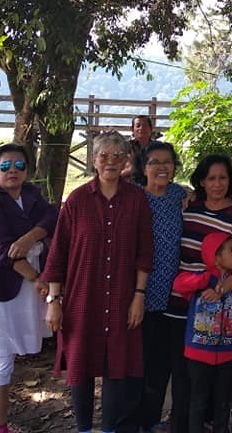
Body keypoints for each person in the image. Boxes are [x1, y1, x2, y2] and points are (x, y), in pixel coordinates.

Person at [42, 130, 153, 433]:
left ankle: (108, 429)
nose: (110, 162)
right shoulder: (77, 200)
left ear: (127, 160)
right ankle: (83, 428)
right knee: (81, 366)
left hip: (122, 297)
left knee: (117, 366)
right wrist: (54, 301)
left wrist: (139, 296)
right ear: (94, 160)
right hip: (82, 297)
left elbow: (145, 253)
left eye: (118, 156)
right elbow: (58, 253)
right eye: (104, 156)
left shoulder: (137, 200)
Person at [0, 143, 58, 433]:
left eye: (19, 165)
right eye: (5, 166)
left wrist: (30, 237)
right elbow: (6, 252)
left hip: (22, 292)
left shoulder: (31, 196)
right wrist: (37, 279)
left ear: (27, 171)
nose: (12, 171)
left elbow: (52, 216)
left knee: (0, 359)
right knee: (2, 360)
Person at [165, 153, 232, 433]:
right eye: (211, 178)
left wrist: (219, 290)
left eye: (223, 178)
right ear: (201, 181)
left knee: (216, 382)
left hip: (219, 311)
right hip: (180, 305)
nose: (217, 184)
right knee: (182, 376)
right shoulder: (187, 212)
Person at [134, 142, 188, 433]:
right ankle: (147, 421)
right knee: (149, 365)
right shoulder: (135, 198)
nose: (162, 167)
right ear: (144, 168)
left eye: (167, 161)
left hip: (178, 296)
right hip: (144, 295)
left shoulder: (180, 195)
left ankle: (178, 421)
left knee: (176, 364)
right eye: (154, 162)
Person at [173, 233, 232, 433]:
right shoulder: (201, 281)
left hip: (226, 356)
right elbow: (179, 285)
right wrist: (204, 279)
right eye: (231, 251)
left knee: (223, 402)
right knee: (198, 401)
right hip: (197, 355)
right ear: (216, 258)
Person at [123, 114, 154, 179]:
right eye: (138, 126)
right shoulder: (125, 147)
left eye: (145, 126)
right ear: (132, 130)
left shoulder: (158, 147)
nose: (141, 128)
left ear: (151, 129)